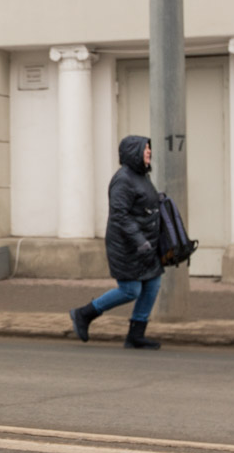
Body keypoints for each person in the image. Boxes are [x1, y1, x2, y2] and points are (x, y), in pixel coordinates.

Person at [69, 135, 164, 350]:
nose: (149, 152)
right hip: (127, 246)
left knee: (153, 284)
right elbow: (119, 215)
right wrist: (139, 240)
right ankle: (84, 314)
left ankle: (136, 335)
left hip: (145, 244)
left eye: (149, 148)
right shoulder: (123, 179)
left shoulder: (141, 176)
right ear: (133, 152)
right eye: (145, 148)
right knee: (131, 290)